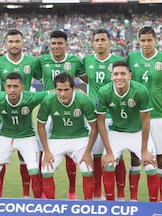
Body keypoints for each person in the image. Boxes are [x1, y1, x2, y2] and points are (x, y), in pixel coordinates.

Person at [126, 26, 162, 202]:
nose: (146, 43)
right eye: (143, 40)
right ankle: (133, 199)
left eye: (149, 40)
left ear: (155, 40)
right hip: (135, 116)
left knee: (161, 157)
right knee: (134, 156)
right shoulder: (131, 58)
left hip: (157, 115)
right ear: (138, 41)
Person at [37, 30, 87, 200]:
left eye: (60, 43)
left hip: (70, 107)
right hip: (49, 109)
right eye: (53, 43)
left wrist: (80, 90)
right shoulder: (42, 61)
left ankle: (72, 190)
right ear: (49, 45)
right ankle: (44, 192)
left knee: (70, 149)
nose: (56, 46)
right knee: (42, 150)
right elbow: (32, 78)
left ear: (66, 44)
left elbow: (88, 78)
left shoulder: (74, 61)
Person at [95, 61, 156, 201]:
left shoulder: (140, 91)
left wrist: (145, 150)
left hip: (137, 133)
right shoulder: (104, 91)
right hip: (117, 133)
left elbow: (146, 120)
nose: (119, 77)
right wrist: (109, 151)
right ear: (111, 76)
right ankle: (111, 206)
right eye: (116, 74)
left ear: (130, 75)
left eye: (123, 74)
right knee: (108, 164)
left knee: (150, 166)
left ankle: (154, 207)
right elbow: (100, 121)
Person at [0, 29, 40, 198]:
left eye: (17, 41)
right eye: (10, 41)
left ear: (23, 43)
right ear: (5, 43)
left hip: (25, 120)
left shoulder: (32, 62)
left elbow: (43, 81)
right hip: (2, 121)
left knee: (25, 159)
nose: (14, 45)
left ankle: (26, 195)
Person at [0, 72, 47, 198]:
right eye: (9, 86)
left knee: (34, 171)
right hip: (5, 137)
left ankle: (37, 203)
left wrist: (77, 91)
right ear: (4, 87)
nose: (12, 90)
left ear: (22, 87)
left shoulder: (30, 97)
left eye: (15, 86)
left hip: (27, 137)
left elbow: (51, 93)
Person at [37, 72, 97, 200]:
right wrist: (46, 151)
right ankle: (50, 205)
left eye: (66, 90)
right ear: (55, 89)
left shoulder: (83, 100)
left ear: (73, 88)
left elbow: (95, 127)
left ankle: (88, 205)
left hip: (80, 138)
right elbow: (40, 125)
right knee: (46, 171)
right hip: (57, 138)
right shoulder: (48, 100)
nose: (62, 94)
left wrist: (87, 151)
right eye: (59, 90)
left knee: (88, 170)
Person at [83, 29, 126, 200]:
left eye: (103, 39)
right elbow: (86, 79)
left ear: (109, 42)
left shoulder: (118, 61)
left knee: (117, 157)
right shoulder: (87, 60)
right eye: (96, 40)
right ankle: (97, 194)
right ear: (92, 43)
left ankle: (120, 196)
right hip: (94, 117)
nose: (100, 43)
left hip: (114, 116)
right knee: (96, 156)